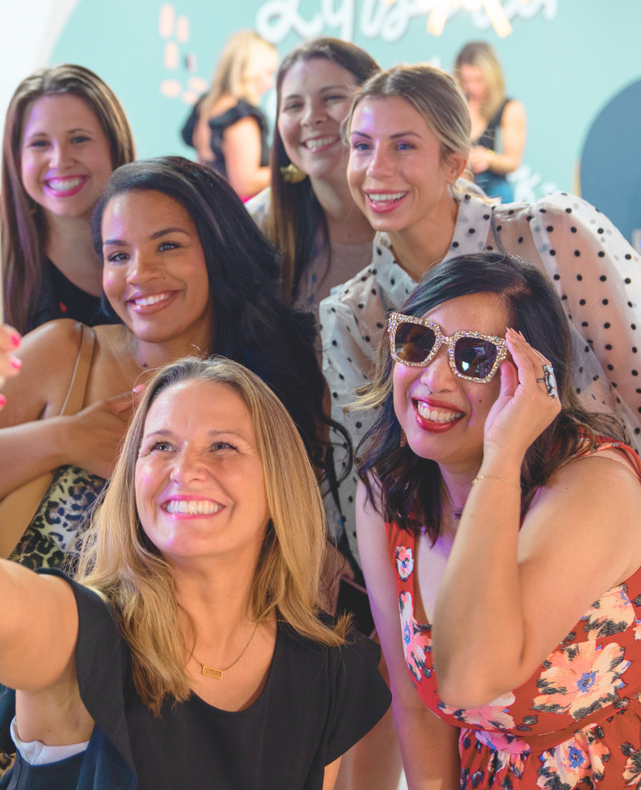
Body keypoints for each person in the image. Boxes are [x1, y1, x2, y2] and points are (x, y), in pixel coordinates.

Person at [0, 157, 338, 790]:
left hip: (113, 716)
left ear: (218, 249)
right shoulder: (67, 353)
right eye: (116, 255)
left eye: (167, 245)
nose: (139, 274)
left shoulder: (270, 394)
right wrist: (62, 438)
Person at [321, 63, 641, 571]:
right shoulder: (352, 313)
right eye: (361, 146)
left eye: (403, 146)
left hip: (605, 541)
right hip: (461, 569)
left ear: (455, 162)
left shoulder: (550, 235)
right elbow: (370, 482)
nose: (375, 168)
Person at [355, 251, 641, 790]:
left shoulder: (595, 487)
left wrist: (502, 456)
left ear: (534, 381)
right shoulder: (386, 494)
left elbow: (469, 675)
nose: (432, 379)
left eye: (473, 359)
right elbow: (417, 709)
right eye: (418, 342)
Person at [247, 38, 379, 322]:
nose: (310, 118)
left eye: (332, 98)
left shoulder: (442, 211)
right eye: (293, 105)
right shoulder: (256, 226)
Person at [1, 63, 135, 333]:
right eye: (40, 144)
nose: (60, 161)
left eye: (79, 139)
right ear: (16, 159)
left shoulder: (170, 241)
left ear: (114, 145)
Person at [181, 29, 277, 200]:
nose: (270, 83)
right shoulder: (240, 117)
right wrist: (291, 172)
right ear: (250, 70)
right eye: (268, 73)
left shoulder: (205, 106)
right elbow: (244, 183)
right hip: (238, 214)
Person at [454, 41, 526, 201]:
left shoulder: (509, 108)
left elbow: (513, 161)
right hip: (459, 190)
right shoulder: (456, 109)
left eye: (479, 80)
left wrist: (488, 158)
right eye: (467, 80)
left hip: (494, 192)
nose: (472, 87)